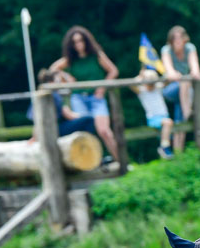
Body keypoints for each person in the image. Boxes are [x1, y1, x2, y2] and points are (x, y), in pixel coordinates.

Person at [50, 26, 119, 162]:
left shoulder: (96, 55)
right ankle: (93, 163)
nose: (78, 44)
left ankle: (121, 162)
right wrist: (66, 76)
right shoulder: (70, 59)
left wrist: (102, 87)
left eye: (80, 41)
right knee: (85, 131)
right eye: (75, 42)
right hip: (78, 98)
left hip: (96, 98)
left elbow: (113, 71)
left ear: (86, 41)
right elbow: (53, 69)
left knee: (104, 131)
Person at [161, 26, 200, 153]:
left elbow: (195, 66)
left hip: (184, 93)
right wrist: (177, 75)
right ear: (171, 40)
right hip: (171, 89)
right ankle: (187, 110)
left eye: (180, 37)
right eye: (175, 38)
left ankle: (178, 151)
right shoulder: (166, 50)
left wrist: (196, 73)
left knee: (180, 122)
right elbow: (169, 70)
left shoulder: (189, 48)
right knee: (185, 81)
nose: (178, 41)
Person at [28, 69, 96, 137]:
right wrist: (84, 115)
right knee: (89, 119)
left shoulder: (38, 97)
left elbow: (36, 122)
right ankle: (87, 144)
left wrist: (34, 137)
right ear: (51, 82)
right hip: (56, 130)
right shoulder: (54, 95)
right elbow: (69, 116)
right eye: (57, 81)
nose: (59, 83)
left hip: (45, 132)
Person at [133, 69, 174, 159]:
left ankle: (166, 152)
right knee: (168, 123)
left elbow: (167, 79)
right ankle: (164, 148)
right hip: (154, 119)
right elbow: (132, 84)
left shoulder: (158, 88)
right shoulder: (142, 91)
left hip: (164, 117)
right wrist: (140, 77)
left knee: (167, 134)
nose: (151, 84)